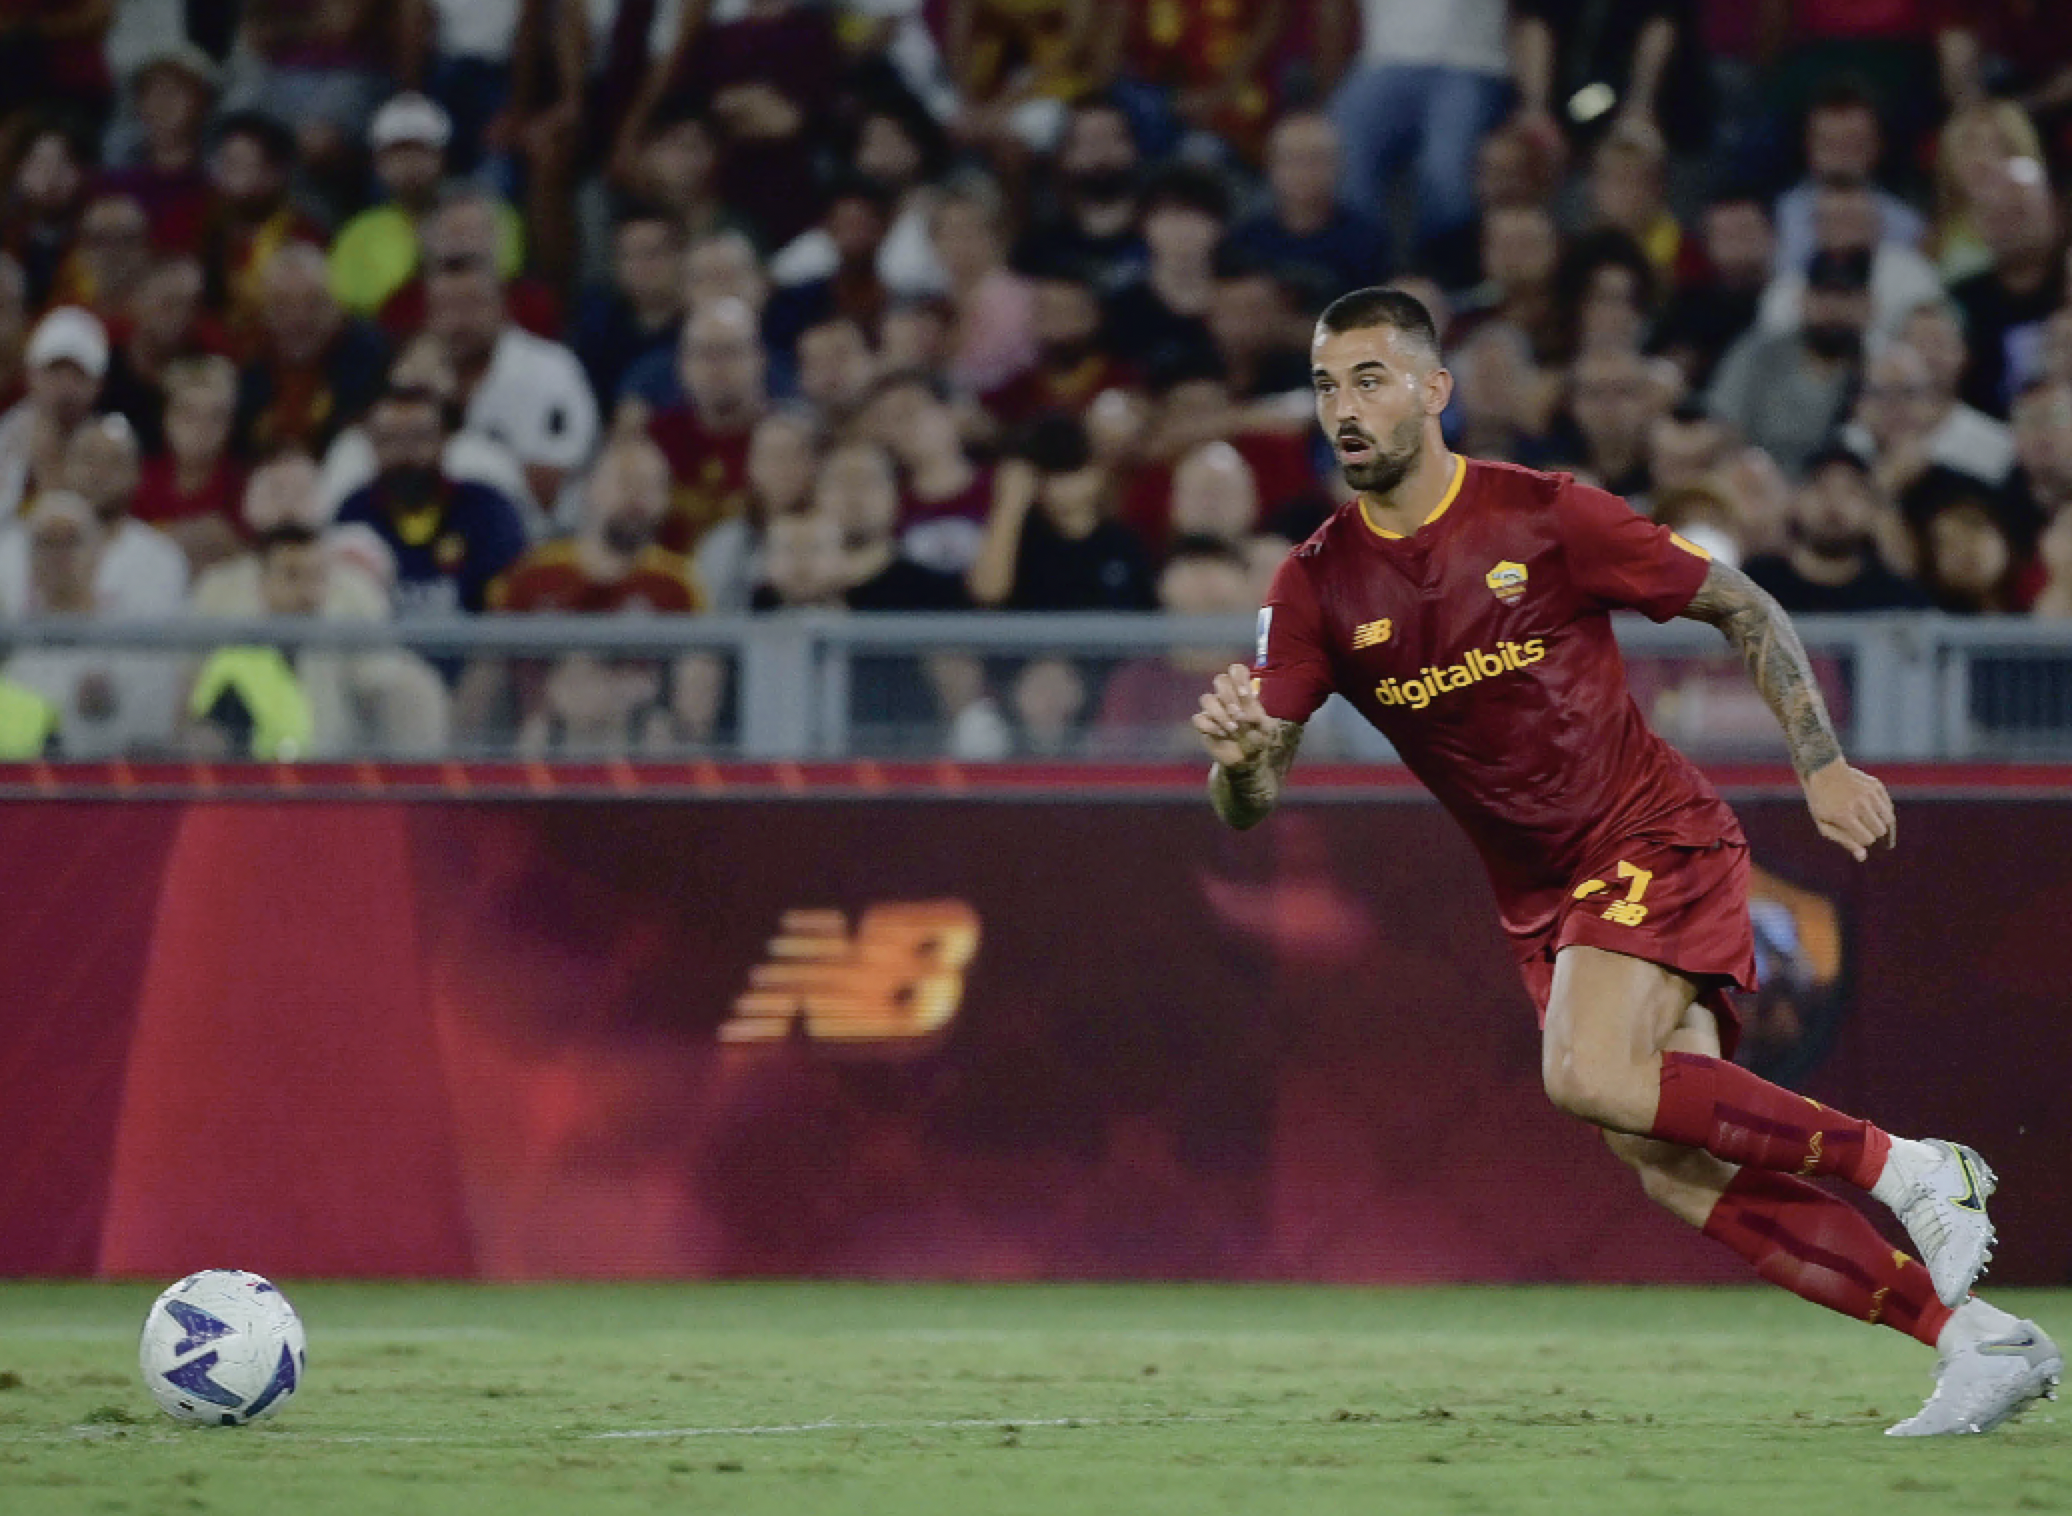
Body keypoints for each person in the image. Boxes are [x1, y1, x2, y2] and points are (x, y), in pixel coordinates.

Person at [1196, 286, 2059, 1436]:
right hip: (1541, 899)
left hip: (1649, 834)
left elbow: (1742, 606)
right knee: (1670, 1164)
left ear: (1432, 389)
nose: (1341, 409)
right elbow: (1248, 803)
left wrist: (1820, 766)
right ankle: (1973, 1342)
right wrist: (1243, 756)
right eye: (1322, 386)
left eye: (1366, 379)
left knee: (1583, 1071)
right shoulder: (1312, 582)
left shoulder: (1541, 516)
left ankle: (1907, 1165)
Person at [333, 385, 528, 617]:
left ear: (444, 440)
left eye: (418, 438)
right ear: (371, 445)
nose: (404, 453)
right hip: (380, 652)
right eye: (389, 439)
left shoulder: (488, 510)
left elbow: (511, 601)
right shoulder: (354, 513)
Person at [1742, 446, 1929, 614]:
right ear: (1796, 500)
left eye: (1851, 492)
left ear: (1872, 509)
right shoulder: (1754, 586)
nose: (1834, 504)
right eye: (1821, 488)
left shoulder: (1897, 602)